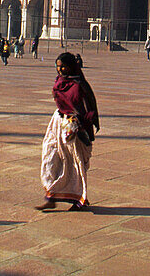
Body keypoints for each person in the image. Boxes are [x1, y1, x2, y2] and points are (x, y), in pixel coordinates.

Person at [36, 52, 99, 211]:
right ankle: (51, 194)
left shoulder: (79, 86)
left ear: (72, 66)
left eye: (63, 66)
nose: (60, 70)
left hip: (73, 125)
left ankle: (78, 198)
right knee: (50, 156)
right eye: (58, 66)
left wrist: (80, 125)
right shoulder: (60, 81)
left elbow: (89, 109)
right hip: (58, 122)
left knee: (73, 163)